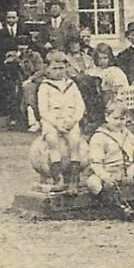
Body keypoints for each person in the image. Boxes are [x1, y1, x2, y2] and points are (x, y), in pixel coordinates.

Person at [31, 51, 89, 194]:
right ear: (47, 69)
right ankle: (58, 178)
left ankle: (74, 180)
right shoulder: (45, 87)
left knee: (75, 141)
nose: (58, 72)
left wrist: (74, 120)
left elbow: (80, 106)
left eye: (61, 68)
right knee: (52, 141)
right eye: (55, 69)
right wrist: (56, 124)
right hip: (52, 121)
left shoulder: (71, 85)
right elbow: (43, 110)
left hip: (70, 120)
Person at [84, 100, 134, 220]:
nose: (119, 122)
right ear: (107, 117)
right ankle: (118, 207)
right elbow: (96, 162)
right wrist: (104, 176)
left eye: (122, 119)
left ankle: (130, 198)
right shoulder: (99, 137)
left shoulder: (127, 134)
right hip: (107, 171)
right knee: (93, 183)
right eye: (115, 118)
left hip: (125, 170)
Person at [86, 42, 129, 107]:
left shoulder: (116, 71)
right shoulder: (92, 72)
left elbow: (123, 90)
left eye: (105, 58)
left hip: (114, 103)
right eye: (99, 58)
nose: (102, 61)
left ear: (110, 58)